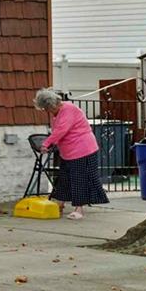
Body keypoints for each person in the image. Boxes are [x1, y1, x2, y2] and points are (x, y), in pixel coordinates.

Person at [35, 87, 108, 218]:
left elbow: (61, 130)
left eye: (46, 108)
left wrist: (47, 143)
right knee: (64, 178)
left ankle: (79, 209)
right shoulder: (55, 113)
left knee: (79, 179)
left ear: (51, 104)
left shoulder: (68, 109)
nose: (46, 111)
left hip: (83, 149)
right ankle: (60, 203)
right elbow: (57, 131)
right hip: (68, 151)